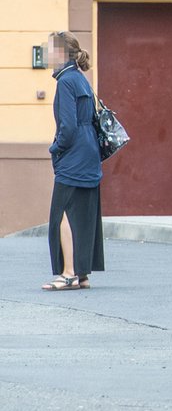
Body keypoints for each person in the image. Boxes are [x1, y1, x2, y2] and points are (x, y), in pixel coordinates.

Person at [42, 31, 105, 291]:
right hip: (90, 154)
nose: (46, 53)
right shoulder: (81, 79)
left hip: (73, 156)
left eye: (49, 49)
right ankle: (82, 274)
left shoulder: (66, 81)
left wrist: (55, 149)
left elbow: (67, 127)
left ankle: (68, 274)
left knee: (63, 213)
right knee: (84, 214)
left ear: (60, 53)